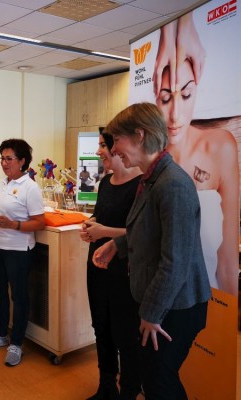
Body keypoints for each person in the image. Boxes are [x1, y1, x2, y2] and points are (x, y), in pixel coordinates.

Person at [92, 103, 211, 399]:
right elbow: (150, 232)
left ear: (140, 135)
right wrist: (118, 244)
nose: (113, 149)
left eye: (117, 140)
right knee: (154, 378)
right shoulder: (151, 178)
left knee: (160, 382)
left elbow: (175, 261)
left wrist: (151, 313)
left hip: (176, 306)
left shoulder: (172, 185)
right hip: (163, 303)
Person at [156, 60, 239, 296]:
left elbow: (228, 262)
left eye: (186, 95)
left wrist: (227, 311)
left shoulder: (219, 147)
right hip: (161, 291)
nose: (175, 115)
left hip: (207, 294)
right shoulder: (148, 160)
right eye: (165, 98)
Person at [81, 129, 142, 400]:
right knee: (101, 326)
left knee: (125, 333)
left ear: (118, 147)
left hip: (124, 270)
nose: (98, 152)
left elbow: (140, 232)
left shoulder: (141, 185)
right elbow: (100, 215)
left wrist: (103, 231)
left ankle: (128, 390)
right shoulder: (106, 182)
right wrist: (91, 225)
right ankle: (106, 387)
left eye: (103, 146)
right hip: (97, 265)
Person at [0, 138, 45, 367]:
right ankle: (0, 334)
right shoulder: (0, 184)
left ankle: (17, 343)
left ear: (22, 161)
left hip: (18, 250)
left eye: (9, 159)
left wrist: (13, 224)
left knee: (19, 296)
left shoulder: (30, 187)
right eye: (2, 158)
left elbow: (39, 222)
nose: (4, 163)